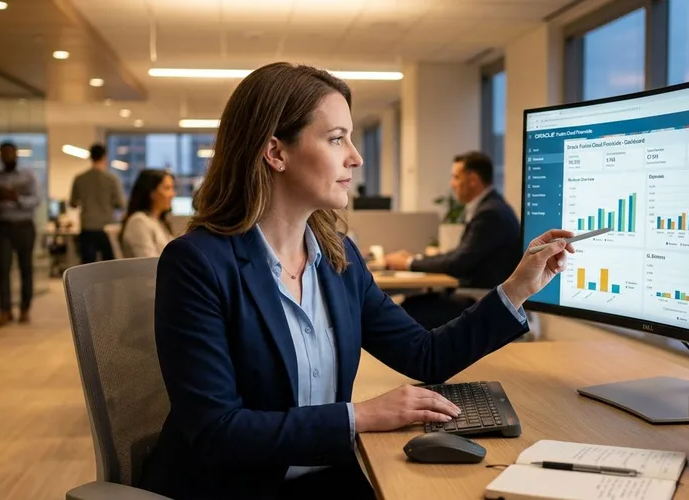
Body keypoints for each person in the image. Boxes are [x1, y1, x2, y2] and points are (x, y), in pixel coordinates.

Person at [140, 62, 575, 500]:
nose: (355, 156)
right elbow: (216, 431)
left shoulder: (338, 258)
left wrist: (517, 288)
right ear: (276, 152)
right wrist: (360, 416)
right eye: (336, 139)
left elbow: (425, 354)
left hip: (327, 477)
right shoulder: (197, 263)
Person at [383, 151, 523, 329]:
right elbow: (459, 255)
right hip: (480, 295)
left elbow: (458, 263)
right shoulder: (491, 206)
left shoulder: (490, 213)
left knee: (409, 310)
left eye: (456, 177)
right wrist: (415, 259)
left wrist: (409, 263)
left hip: (482, 299)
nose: (452, 184)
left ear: (473, 179)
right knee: (411, 305)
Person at [0, 142, 41, 326]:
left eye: (9, 153)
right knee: (3, 270)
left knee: (26, 268)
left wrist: (17, 198)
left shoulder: (27, 176)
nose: (6, 157)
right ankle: (5, 310)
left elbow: (36, 200)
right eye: (3, 154)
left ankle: (25, 309)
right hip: (4, 227)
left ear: (16, 154)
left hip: (24, 226)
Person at [70, 143, 126, 263]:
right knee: (108, 266)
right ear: (104, 157)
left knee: (87, 266)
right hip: (107, 228)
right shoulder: (112, 179)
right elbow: (121, 204)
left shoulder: (80, 179)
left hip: (87, 226)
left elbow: (73, 203)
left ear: (90, 157)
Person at [119, 169, 175, 258]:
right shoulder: (138, 221)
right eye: (167, 188)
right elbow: (148, 262)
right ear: (151, 192)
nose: (172, 194)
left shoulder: (159, 221)